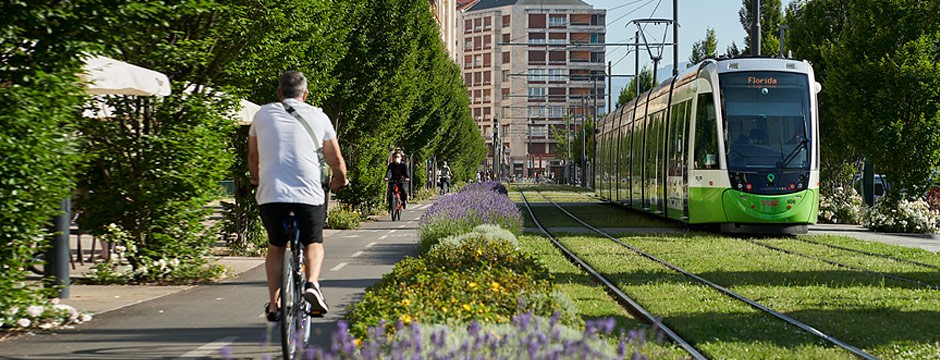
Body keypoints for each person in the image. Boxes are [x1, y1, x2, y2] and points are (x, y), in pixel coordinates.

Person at [249, 70, 349, 322]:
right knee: (313, 242)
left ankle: (274, 304)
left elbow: (253, 157)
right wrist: (341, 180)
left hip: (272, 195)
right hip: (308, 193)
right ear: (305, 94)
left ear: (279, 93)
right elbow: (335, 158)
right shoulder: (319, 116)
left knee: (276, 247)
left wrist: (256, 179)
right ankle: (312, 284)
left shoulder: (261, 114)